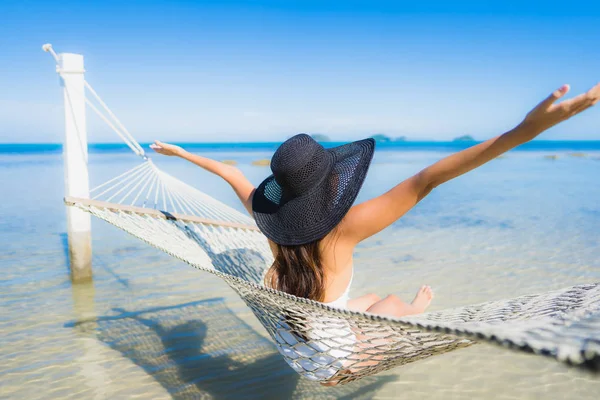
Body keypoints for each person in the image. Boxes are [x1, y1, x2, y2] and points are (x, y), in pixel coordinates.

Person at [150, 83, 599, 318]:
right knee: (389, 306)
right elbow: (428, 179)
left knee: (366, 298)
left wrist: (182, 154)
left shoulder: (268, 219)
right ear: (330, 184)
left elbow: (230, 172)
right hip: (335, 359)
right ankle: (412, 310)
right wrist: (525, 131)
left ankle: (386, 307)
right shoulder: (343, 232)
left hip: (301, 334)